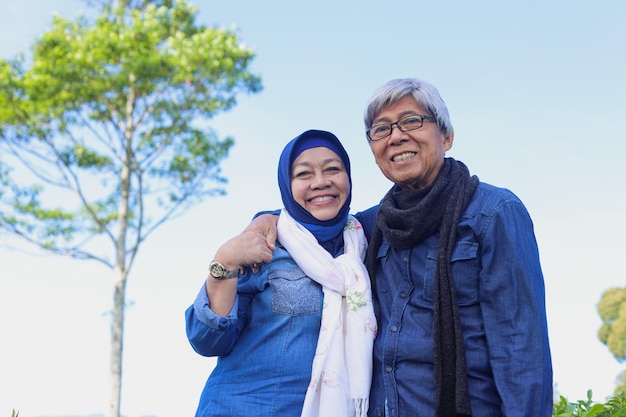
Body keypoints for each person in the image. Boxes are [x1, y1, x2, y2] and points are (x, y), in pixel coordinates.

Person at [243, 78, 553, 417]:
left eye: (411, 121)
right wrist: (267, 218)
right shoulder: (370, 227)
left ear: (446, 136)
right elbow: (314, 219)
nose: (396, 136)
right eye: (381, 129)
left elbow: (521, 350)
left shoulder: (492, 213)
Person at [185, 129, 377, 417]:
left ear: (348, 178)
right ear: (287, 186)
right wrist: (224, 262)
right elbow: (207, 340)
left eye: (333, 170)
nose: (321, 182)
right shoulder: (264, 246)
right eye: (303, 174)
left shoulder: (365, 244)